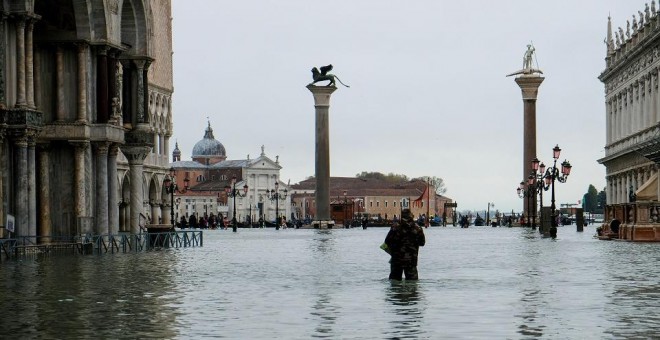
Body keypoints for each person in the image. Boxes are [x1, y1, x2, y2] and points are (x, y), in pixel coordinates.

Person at [384, 209, 426, 280]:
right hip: (411, 260)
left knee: (395, 285)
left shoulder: (395, 227)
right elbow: (422, 243)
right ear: (411, 216)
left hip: (397, 260)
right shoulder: (418, 228)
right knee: (412, 284)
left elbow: (387, 241)